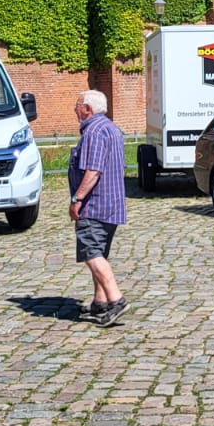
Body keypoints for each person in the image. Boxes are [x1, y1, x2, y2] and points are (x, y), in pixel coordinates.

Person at [69, 90, 128, 326]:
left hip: (95, 204)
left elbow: (93, 171)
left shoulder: (93, 131)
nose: (75, 109)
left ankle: (116, 299)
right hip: (113, 203)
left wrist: (77, 199)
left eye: (77, 105)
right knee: (100, 252)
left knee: (91, 252)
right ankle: (99, 302)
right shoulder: (112, 128)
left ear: (88, 109)